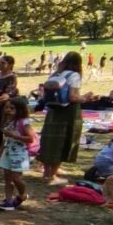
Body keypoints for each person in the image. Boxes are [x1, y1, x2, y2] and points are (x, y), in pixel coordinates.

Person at [37, 52, 93, 186]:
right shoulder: (74, 75)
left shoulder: (55, 74)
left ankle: (46, 173)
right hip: (67, 112)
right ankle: (51, 175)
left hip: (53, 111)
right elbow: (73, 97)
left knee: (50, 141)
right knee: (62, 142)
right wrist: (86, 97)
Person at [0, 98, 37, 211]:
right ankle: (8, 200)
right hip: (8, 153)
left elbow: (31, 138)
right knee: (7, 178)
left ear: (20, 109)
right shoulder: (9, 122)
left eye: (12, 108)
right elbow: (5, 139)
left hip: (19, 154)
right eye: (7, 107)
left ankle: (22, 194)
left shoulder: (24, 122)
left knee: (16, 178)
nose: (8, 110)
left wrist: (14, 135)